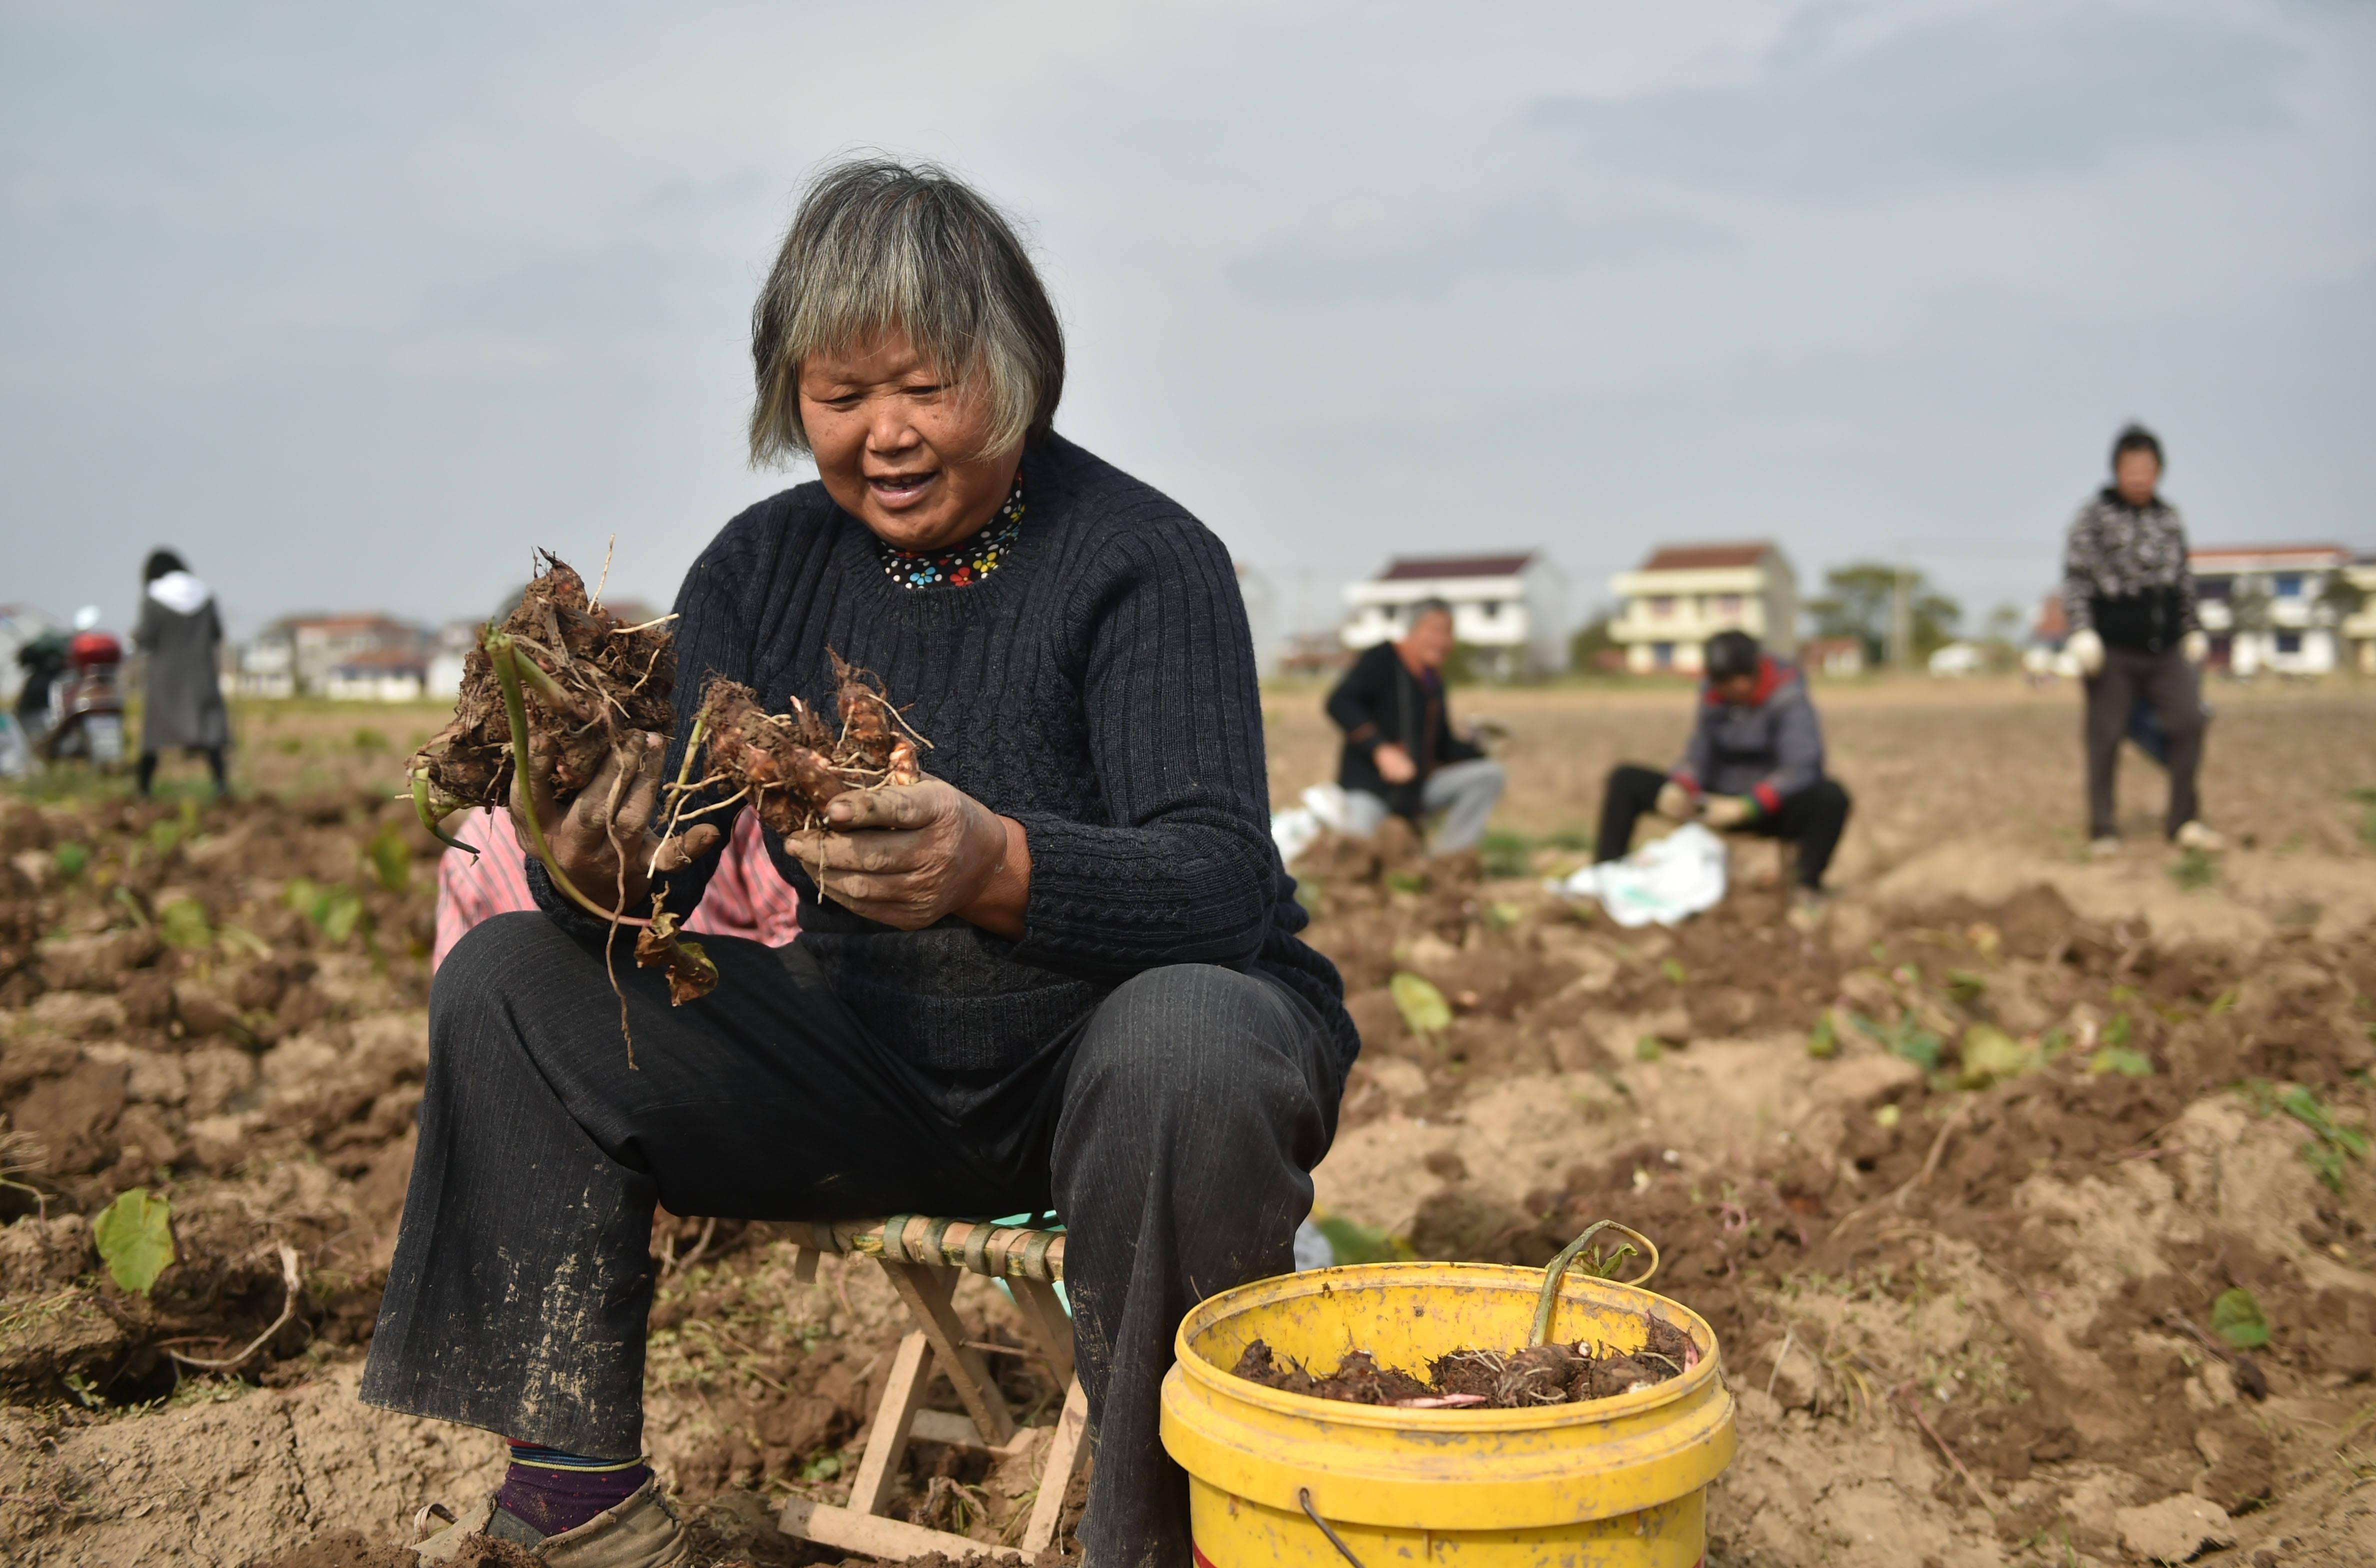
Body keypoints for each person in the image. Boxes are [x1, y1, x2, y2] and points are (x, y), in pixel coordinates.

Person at [364, 158, 1350, 1566]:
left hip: (1113, 1071)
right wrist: (591, 864)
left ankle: (1173, 1537)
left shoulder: (1142, 559)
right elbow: (675, 899)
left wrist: (992, 864)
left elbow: (1220, 886)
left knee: (1193, 1032)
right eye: (841, 396)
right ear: (792, 400)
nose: (885, 433)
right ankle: (575, 1502)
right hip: (869, 1062)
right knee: (511, 977)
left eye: (926, 386)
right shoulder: (758, 573)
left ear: (1013, 377)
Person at [1594, 630, 1851, 905]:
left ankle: (1806, 886)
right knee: (1625, 781)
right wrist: (1682, 784)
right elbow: (1700, 750)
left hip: (1767, 807)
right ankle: (1604, 877)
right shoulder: (1714, 692)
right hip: (1712, 801)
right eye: (1718, 683)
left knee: (1832, 799)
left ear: (1749, 676)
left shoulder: (1788, 696)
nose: (1723, 690)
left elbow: (1802, 766)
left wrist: (1748, 806)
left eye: (1730, 683)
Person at [2060, 424, 2218, 854]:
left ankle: (2184, 821)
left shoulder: (2168, 519)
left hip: (2165, 647)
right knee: (2105, 737)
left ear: (2159, 471)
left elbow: (2184, 580)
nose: (2139, 476)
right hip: (2112, 648)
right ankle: (2104, 829)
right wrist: (2082, 632)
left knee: (2190, 721)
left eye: (2147, 467)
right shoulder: (2092, 517)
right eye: (2131, 467)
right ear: (2116, 471)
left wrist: (2192, 629)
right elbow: (2076, 579)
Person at [1323, 600, 1506, 853]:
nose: (1442, 641)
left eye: (1448, 633)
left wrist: (1481, 747)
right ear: (1413, 629)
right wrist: (1381, 751)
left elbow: (1443, 746)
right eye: (1435, 630)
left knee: (1489, 775)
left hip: (1415, 791)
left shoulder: (1433, 682)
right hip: (1369, 788)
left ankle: (1449, 864)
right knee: (1358, 853)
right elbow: (1339, 703)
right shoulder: (1383, 658)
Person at [132, 550, 230, 796]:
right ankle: (221, 787)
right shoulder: (205, 596)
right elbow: (217, 634)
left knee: (154, 738)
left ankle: (143, 791)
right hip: (201, 676)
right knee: (211, 735)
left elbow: (145, 638)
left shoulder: (154, 599)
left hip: (166, 680)